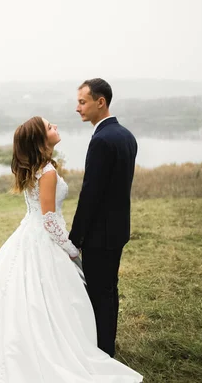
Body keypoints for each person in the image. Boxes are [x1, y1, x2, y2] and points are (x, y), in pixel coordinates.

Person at [0, 116, 142, 382]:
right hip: (43, 238)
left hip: (29, 233)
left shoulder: (37, 168)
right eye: (49, 127)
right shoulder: (46, 172)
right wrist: (70, 248)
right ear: (40, 139)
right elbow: (48, 219)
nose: (55, 126)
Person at [69, 78, 138, 358]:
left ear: (101, 102)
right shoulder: (126, 135)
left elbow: (90, 194)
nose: (78, 108)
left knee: (99, 293)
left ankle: (103, 353)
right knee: (108, 290)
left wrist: (75, 238)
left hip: (100, 235)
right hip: (118, 230)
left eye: (82, 102)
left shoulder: (101, 140)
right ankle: (106, 346)